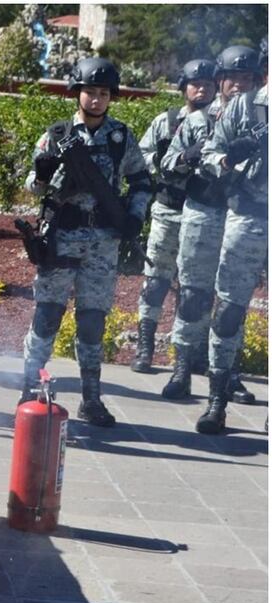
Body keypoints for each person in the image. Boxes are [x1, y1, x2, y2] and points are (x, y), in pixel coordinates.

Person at [18, 57, 154, 427]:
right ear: (77, 93)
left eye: (103, 93)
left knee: (92, 322)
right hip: (61, 239)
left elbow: (142, 183)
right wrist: (43, 172)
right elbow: (32, 185)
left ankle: (91, 399)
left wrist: (134, 218)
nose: (96, 99)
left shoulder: (120, 137)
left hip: (102, 243)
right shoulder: (58, 134)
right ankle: (29, 388)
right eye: (90, 92)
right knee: (46, 316)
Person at [159, 45, 260, 401]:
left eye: (248, 79)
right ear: (220, 81)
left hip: (244, 218)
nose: (240, 86)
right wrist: (191, 156)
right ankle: (182, 370)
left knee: (234, 301)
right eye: (233, 79)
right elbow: (166, 166)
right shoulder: (199, 120)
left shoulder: (260, 121)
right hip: (204, 212)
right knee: (193, 295)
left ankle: (229, 374)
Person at [131, 59, 217, 373]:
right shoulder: (166, 122)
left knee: (199, 287)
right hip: (169, 210)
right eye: (196, 83)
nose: (202, 88)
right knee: (156, 281)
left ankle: (193, 352)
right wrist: (177, 162)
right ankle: (145, 345)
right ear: (183, 87)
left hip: (207, 213)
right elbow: (140, 159)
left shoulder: (222, 121)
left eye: (209, 83)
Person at [196, 81, 267, 433]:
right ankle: (216, 403)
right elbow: (209, 155)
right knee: (227, 313)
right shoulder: (244, 106)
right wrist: (228, 158)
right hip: (248, 218)